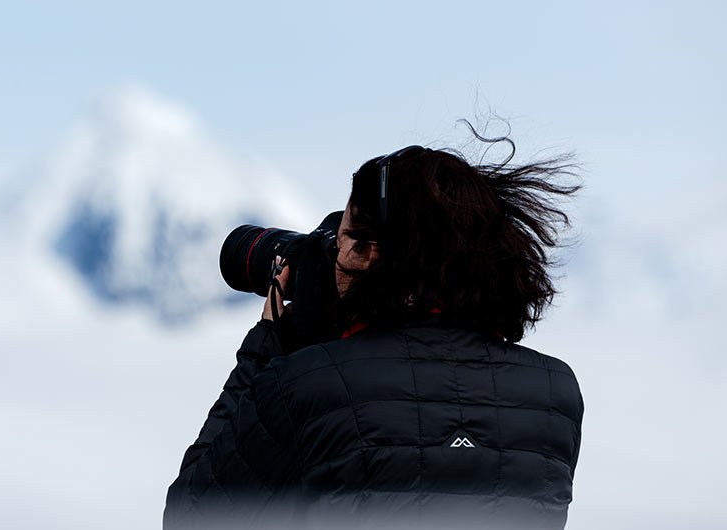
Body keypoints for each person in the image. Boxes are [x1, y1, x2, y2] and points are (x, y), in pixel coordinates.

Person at [163, 139, 584, 530]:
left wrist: (270, 346)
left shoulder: (305, 387)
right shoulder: (554, 398)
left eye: (345, 238)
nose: (334, 257)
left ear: (374, 254)